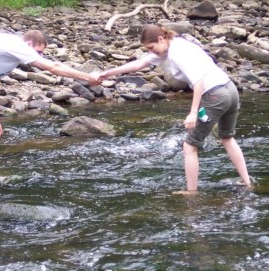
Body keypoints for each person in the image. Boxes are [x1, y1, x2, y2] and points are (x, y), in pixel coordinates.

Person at [0, 29, 100, 198]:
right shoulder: (16, 46)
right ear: (28, 44)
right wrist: (88, 77)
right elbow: (53, 67)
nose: (39, 56)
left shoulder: (10, 57)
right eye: (39, 52)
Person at [97, 24, 252, 194]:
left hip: (215, 96)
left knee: (189, 147)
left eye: (151, 47)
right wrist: (107, 73)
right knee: (227, 138)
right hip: (230, 89)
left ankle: (191, 192)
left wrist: (193, 112)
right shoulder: (175, 45)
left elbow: (198, 81)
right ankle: (247, 183)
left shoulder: (177, 53)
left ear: (161, 39)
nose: (152, 51)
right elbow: (139, 64)